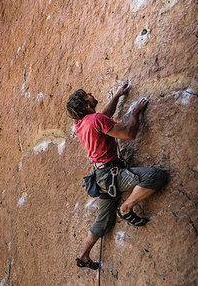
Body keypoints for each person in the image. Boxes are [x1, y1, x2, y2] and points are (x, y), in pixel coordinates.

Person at [66, 85, 168, 270]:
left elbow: (102, 117)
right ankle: (126, 208)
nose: (91, 94)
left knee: (103, 220)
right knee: (156, 176)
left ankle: (84, 256)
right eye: (87, 96)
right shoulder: (95, 119)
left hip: (101, 177)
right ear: (87, 106)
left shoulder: (81, 123)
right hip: (112, 175)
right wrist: (135, 112)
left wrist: (118, 97)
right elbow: (129, 133)